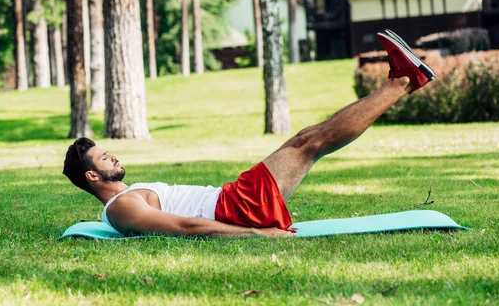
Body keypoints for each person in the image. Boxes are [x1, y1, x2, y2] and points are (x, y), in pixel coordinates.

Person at [62, 30, 436, 238]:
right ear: (92, 176)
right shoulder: (121, 208)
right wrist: (261, 236)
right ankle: (403, 81)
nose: (112, 155)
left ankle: (401, 81)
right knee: (310, 142)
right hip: (236, 207)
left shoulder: (124, 200)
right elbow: (186, 227)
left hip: (233, 199)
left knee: (308, 140)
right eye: (103, 158)